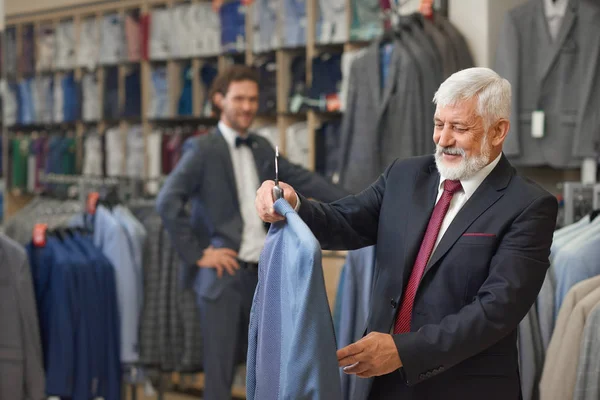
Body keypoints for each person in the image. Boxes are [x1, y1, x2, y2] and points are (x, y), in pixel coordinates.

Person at [255, 67, 558, 400]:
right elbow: (345, 221)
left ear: (498, 131)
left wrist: (403, 350)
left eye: (458, 128)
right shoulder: (404, 174)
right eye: (439, 124)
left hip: (464, 386)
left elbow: (496, 311)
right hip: (381, 381)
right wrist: (294, 204)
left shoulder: (529, 206)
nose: (443, 140)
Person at [156, 65, 347, 399]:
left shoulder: (260, 146)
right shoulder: (201, 149)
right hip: (222, 278)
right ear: (219, 100)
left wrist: (359, 201)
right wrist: (199, 254)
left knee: (268, 369)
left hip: (263, 274)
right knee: (219, 376)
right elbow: (167, 200)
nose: (247, 106)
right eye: (239, 98)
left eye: (253, 99)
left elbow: (303, 179)